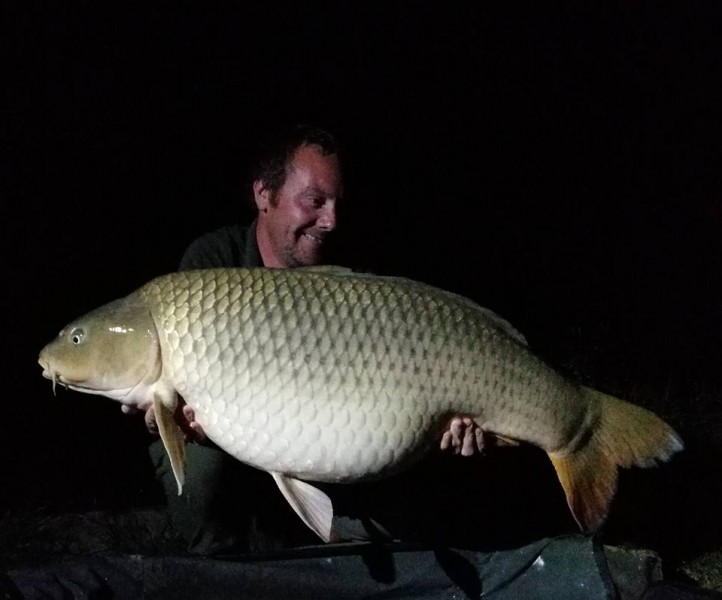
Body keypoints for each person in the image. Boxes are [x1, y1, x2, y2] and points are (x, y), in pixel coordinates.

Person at [143, 123, 484, 555]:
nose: (331, 221)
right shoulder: (213, 263)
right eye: (315, 201)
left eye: (338, 203)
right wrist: (169, 415)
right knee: (197, 468)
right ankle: (221, 562)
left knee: (398, 517)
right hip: (235, 447)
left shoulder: (353, 271)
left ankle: (339, 549)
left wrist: (441, 426)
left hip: (332, 438)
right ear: (264, 195)